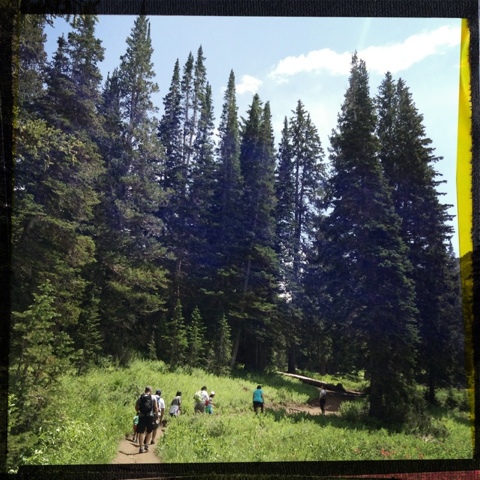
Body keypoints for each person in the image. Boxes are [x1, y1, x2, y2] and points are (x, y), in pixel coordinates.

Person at [135, 386, 158, 454]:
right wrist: (156, 415)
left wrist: (138, 411)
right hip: (150, 416)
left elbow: (136, 406)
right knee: (149, 431)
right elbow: (156, 407)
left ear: (145, 390)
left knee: (141, 432)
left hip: (142, 416)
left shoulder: (140, 397)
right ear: (150, 391)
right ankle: (146, 445)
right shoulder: (153, 397)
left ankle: (141, 448)